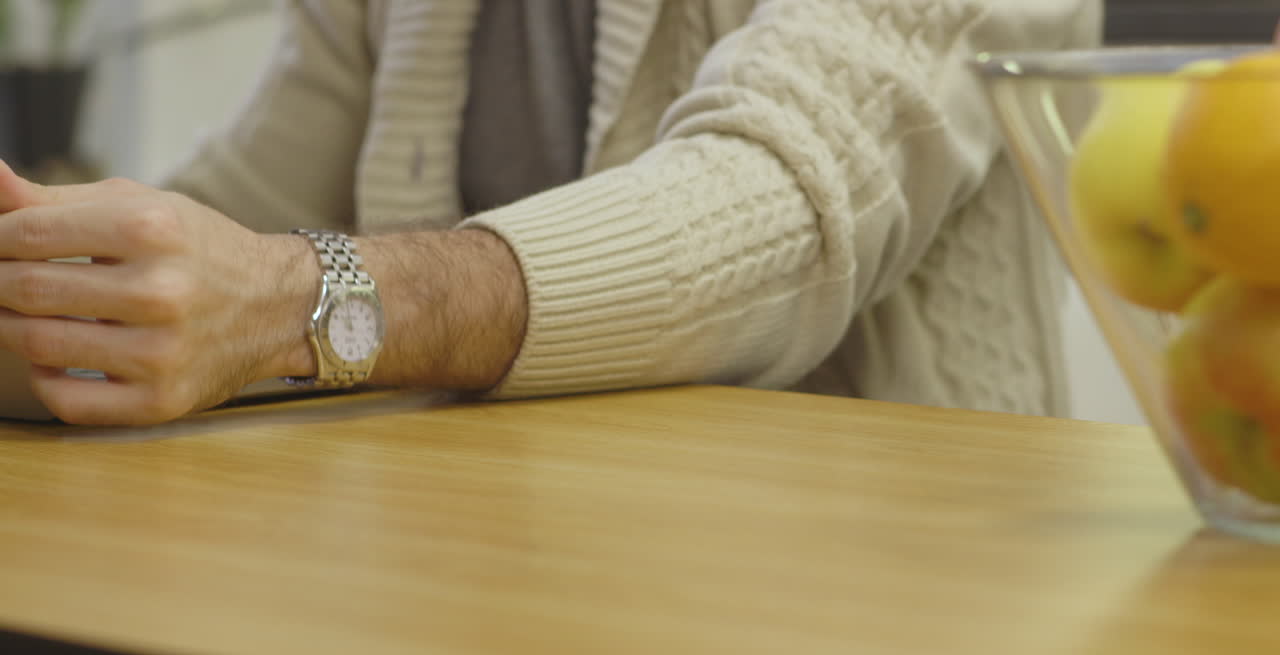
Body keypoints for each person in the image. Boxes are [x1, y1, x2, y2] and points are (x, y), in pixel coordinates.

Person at [0, 0, 1100, 425]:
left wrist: (304, 301)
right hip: (495, 584)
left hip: (900, 615)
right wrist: (47, 278)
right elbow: (219, 226)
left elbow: (775, 207)